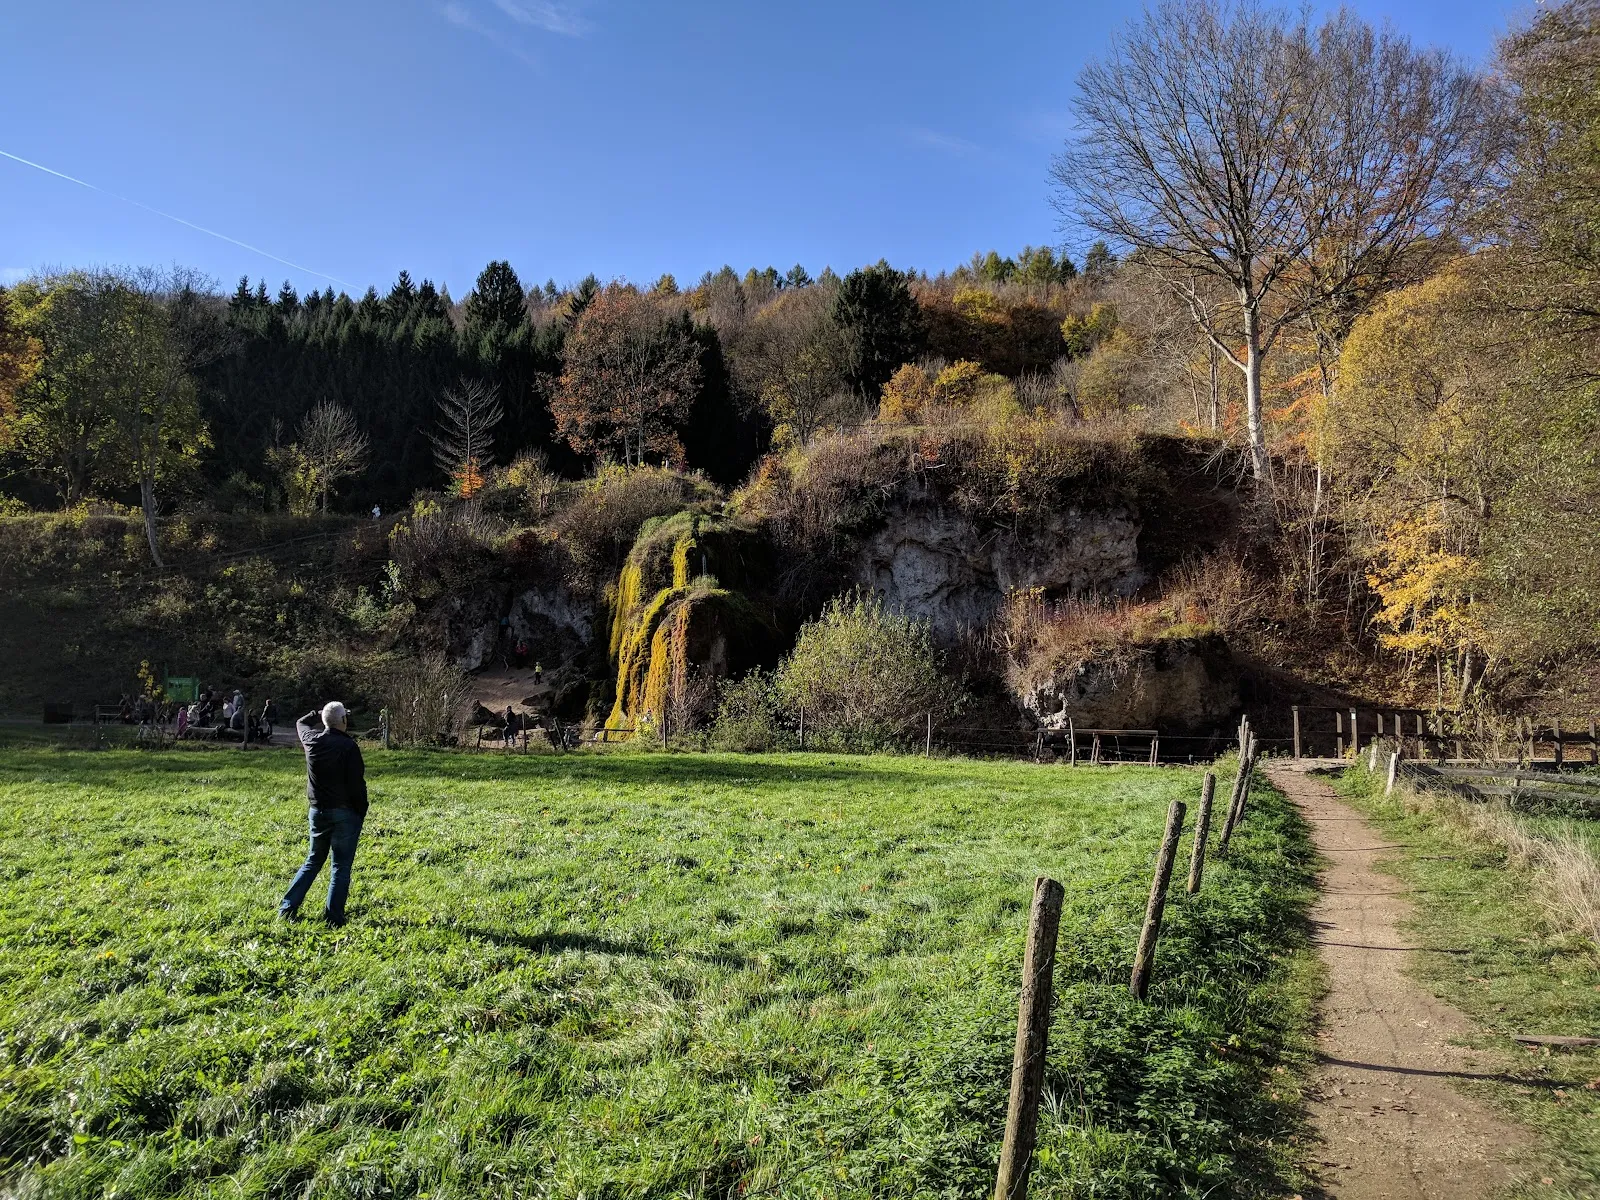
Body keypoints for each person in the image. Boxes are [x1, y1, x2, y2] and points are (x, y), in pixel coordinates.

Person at [279, 701, 369, 926]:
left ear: (324, 721)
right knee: (340, 866)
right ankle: (333, 918)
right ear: (344, 721)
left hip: (317, 811)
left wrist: (318, 713)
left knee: (313, 860)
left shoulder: (311, 741)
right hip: (345, 813)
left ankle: (287, 908)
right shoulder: (349, 747)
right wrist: (361, 811)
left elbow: (301, 722)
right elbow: (357, 786)